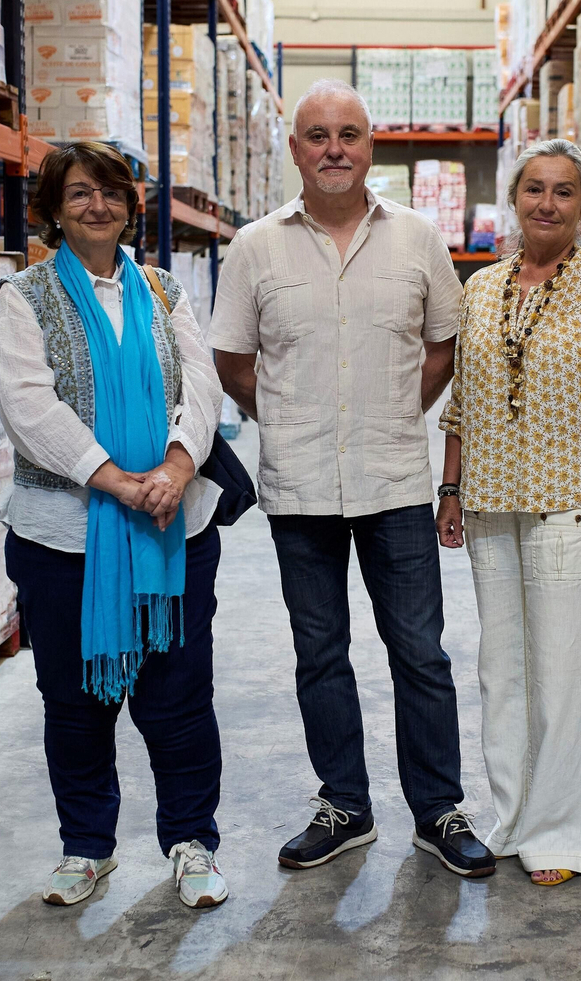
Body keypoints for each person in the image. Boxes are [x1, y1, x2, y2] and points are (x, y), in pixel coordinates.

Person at [208, 79, 495, 879]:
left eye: (350, 134)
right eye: (317, 135)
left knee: (420, 653)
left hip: (395, 480)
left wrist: (402, 408)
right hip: (299, 485)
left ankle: (437, 809)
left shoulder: (417, 240)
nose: (334, 148)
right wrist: (292, 416)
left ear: (372, 145)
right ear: (295, 149)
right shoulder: (255, 247)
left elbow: (444, 344)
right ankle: (346, 806)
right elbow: (231, 359)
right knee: (320, 651)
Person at [0, 141, 230, 909]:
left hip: (174, 531)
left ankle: (192, 842)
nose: (98, 205)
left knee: (180, 700)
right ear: (53, 209)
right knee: (75, 701)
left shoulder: (164, 292)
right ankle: (87, 847)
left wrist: (176, 469)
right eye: (80, 193)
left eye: (111, 192)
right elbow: (28, 407)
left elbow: (203, 386)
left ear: (133, 205)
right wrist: (118, 481)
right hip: (64, 539)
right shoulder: (23, 296)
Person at [435, 139, 581, 886]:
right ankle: (513, 818)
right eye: (534, 189)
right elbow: (461, 404)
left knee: (561, 674)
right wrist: (451, 489)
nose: (547, 203)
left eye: (564, 191)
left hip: (573, 506)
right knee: (502, 670)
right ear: (514, 199)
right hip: (492, 505)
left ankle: (560, 837)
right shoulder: (481, 287)